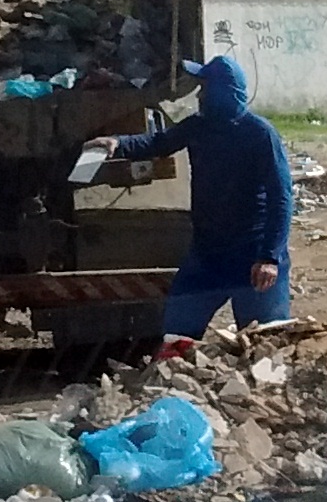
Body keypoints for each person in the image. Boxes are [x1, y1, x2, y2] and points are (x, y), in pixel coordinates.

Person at [92, 56, 293, 351]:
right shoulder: (199, 127)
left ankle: (263, 394)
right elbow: (159, 142)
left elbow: (282, 197)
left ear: (222, 92)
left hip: (253, 255)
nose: (199, 95)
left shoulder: (259, 134)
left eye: (205, 87)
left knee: (264, 345)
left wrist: (270, 257)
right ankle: (178, 386)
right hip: (208, 255)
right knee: (177, 333)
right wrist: (117, 143)